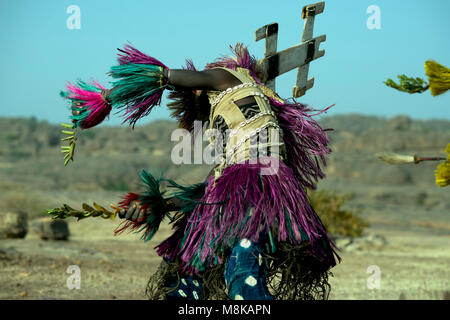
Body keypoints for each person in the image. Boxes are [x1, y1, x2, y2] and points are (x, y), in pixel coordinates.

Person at [66, 43, 340, 300]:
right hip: (248, 188)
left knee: (243, 273)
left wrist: (107, 97)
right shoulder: (233, 152)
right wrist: (157, 205)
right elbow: (207, 197)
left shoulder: (226, 78)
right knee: (186, 262)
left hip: (259, 191)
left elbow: (163, 77)